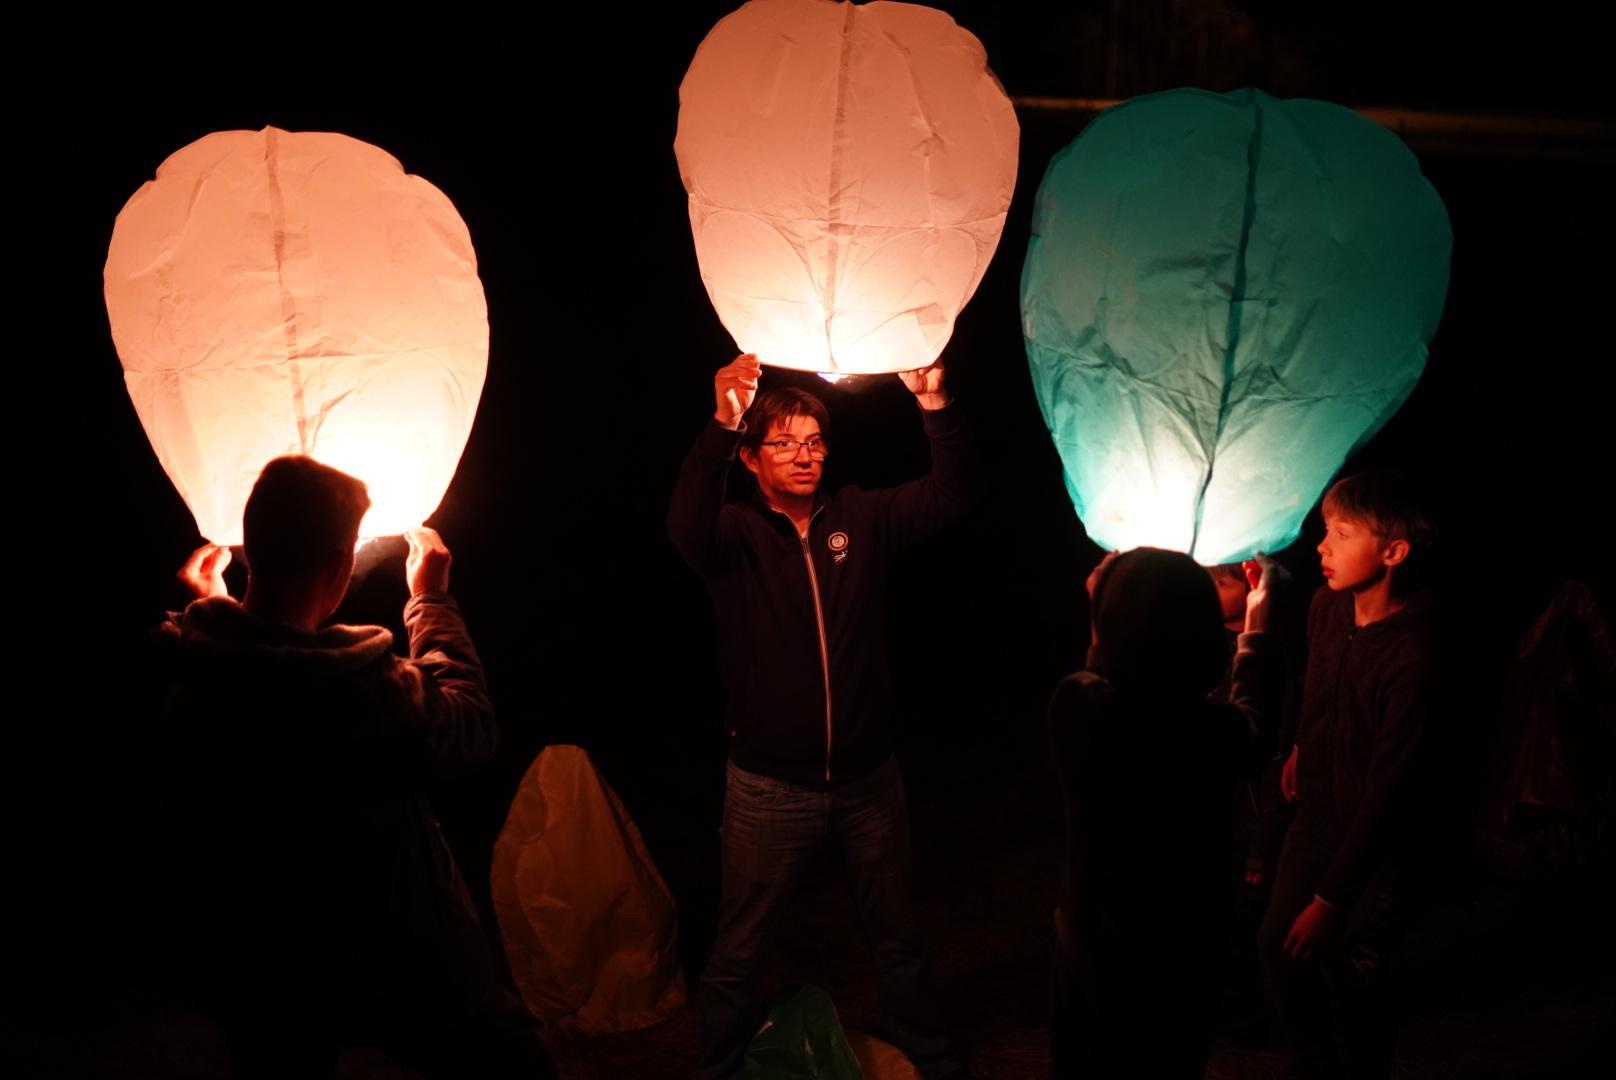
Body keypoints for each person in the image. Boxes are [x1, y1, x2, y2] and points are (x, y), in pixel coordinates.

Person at [160, 455, 552, 1079]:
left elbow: (251, 666)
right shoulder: (368, 691)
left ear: (250, 547)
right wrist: (431, 601)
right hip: (392, 950)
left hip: (253, 952)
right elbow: (471, 728)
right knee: (513, 1061)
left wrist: (214, 610)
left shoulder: (190, 668)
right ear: (341, 563)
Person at [668, 353, 981, 1080]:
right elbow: (684, 525)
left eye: (813, 442)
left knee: (898, 939)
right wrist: (720, 424)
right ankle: (719, 1070)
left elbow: (953, 493)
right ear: (751, 458)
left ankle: (932, 1060)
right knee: (741, 952)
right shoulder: (733, 535)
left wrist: (936, 406)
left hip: (870, 781)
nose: (803, 455)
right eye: (783, 443)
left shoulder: (861, 517)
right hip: (769, 788)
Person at [1048, 547, 1283, 1077]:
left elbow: (1100, 665)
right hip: (1184, 954)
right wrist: (1257, 634)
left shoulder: (1079, 707)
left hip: (1096, 951)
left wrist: (1106, 600)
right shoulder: (1210, 730)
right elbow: (1256, 723)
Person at [1258, 469, 1438, 1078]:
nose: (1321, 546)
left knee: (1356, 980)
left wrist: (1331, 899)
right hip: (1315, 818)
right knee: (1276, 944)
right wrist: (1303, 746)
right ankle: (1313, 1063)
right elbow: (1316, 687)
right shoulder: (1326, 606)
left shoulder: (1412, 653)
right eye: (1325, 530)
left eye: (1341, 533)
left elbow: (1392, 786)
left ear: (1393, 552)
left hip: (1377, 845)